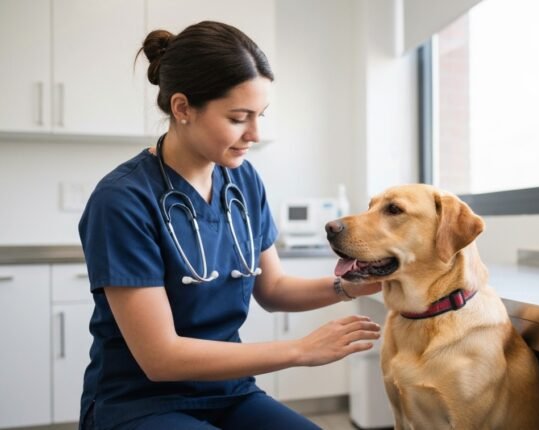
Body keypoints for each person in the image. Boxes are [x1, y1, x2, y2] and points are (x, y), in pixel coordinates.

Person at [77, 21, 382, 430]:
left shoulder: (243, 181)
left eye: (260, 116)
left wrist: (353, 286)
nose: (255, 133)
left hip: (227, 390)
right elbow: (160, 358)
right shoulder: (122, 200)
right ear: (183, 108)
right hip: (141, 402)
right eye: (239, 118)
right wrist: (300, 349)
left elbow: (272, 289)